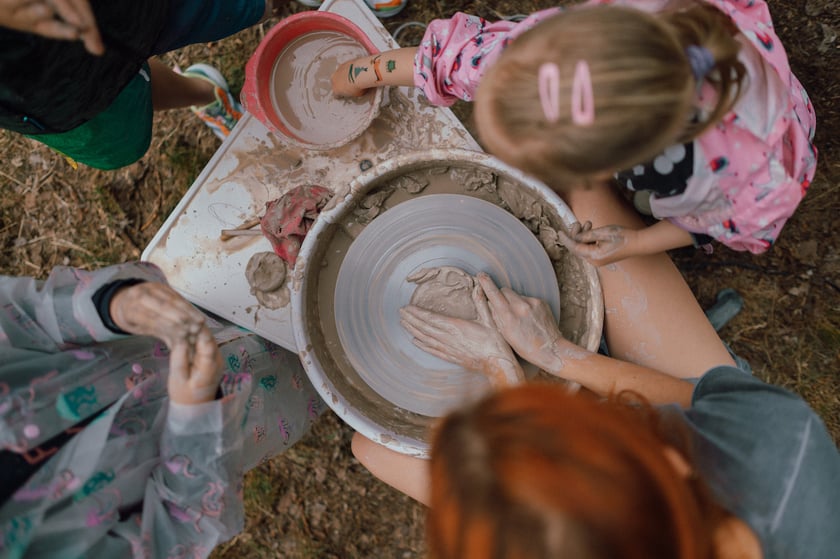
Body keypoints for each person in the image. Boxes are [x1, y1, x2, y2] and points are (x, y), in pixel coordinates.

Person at [350, 180, 840, 558]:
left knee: (372, 446)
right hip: (723, 437)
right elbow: (689, 398)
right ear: (671, 460)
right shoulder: (780, 449)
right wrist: (557, 353)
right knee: (586, 198)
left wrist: (501, 370)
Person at [331, 0, 817, 265]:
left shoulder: (727, 181)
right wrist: (362, 72)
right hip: (718, 68)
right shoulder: (603, 40)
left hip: (770, 123)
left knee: (654, 207)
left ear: (607, 169)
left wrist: (637, 242)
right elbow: (456, 61)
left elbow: (715, 222)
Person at [0, 262, 324, 558]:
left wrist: (113, 305)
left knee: (295, 275)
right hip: (239, 419)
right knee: (328, 362)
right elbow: (175, 535)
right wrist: (198, 413)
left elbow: (22, 314)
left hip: (178, 315)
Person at [0, 0, 287, 170]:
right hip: (42, 89)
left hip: (141, 8)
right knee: (115, 113)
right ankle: (208, 94)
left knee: (243, 8)